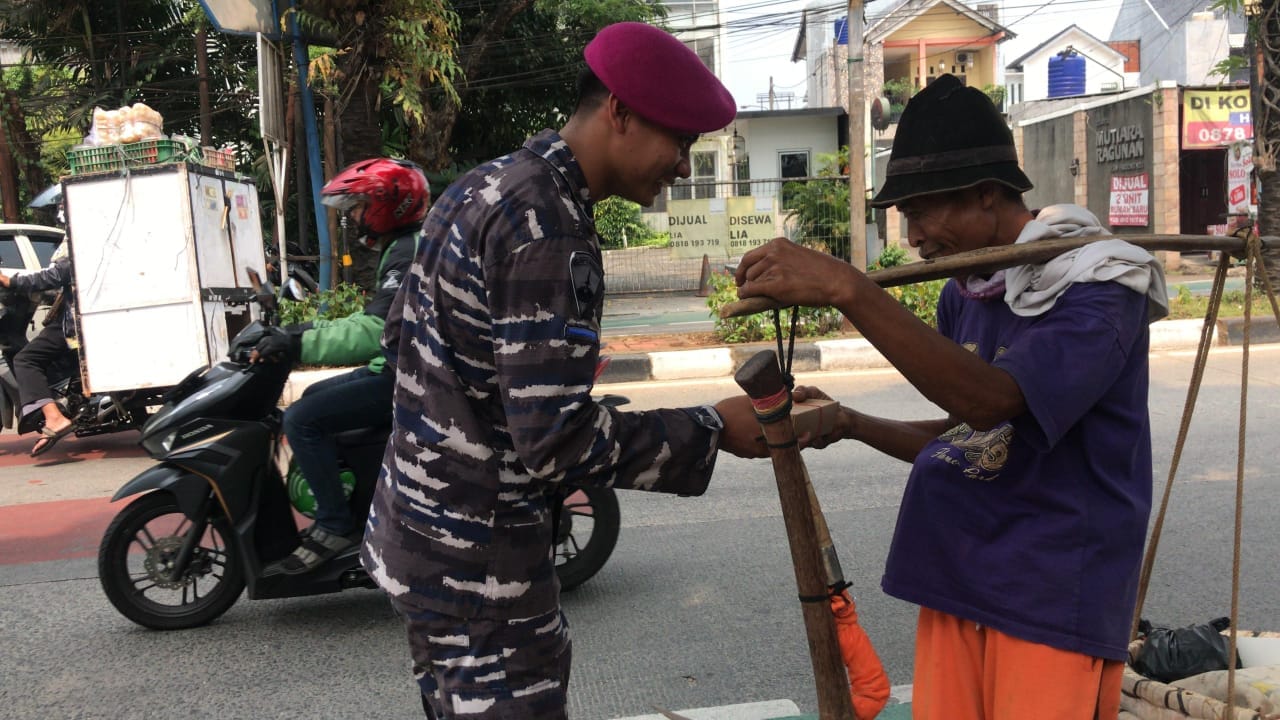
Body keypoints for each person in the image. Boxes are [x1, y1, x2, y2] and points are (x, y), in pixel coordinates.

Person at [361, 22, 764, 719]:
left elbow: (402, 338)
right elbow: (553, 442)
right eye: (679, 141)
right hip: (483, 571)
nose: (681, 164)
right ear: (620, 112)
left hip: (420, 541)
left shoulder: (481, 186)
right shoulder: (550, 225)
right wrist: (711, 429)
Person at [734, 74, 1168, 720]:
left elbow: (994, 402)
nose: (913, 239)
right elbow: (972, 440)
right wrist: (848, 422)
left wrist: (851, 289)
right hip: (961, 582)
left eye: (920, 212)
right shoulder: (964, 293)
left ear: (987, 196)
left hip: (1050, 599)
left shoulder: (1100, 286)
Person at [257, 157, 428, 576]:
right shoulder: (405, 246)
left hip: (410, 379)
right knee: (315, 397)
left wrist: (299, 342)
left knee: (300, 420)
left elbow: (373, 330)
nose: (353, 218)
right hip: (403, 369)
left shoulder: (407, 253)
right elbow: (379, 321)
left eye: (358, 207)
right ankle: (358, 500)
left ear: (388, 205)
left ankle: (336, 525)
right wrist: (300, 329)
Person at [0, 243, 79, 456]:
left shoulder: (77, 235)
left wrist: (12, 281)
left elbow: (55, 275)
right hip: (75, 315)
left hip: (73, 323)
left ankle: (54, 417)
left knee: (26, 360)